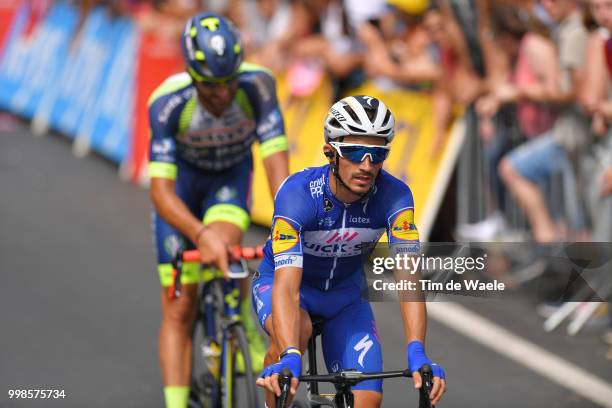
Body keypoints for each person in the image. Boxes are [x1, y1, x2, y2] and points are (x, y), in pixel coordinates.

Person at [252, 95, 446, 407]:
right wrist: (289, 353)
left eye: (377, 153)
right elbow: (287, 286)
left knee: (368, 399)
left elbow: (409, 279)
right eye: (355, 151)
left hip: (345, 298)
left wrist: (417, 350)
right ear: (331, 151)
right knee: (294, 337)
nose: (367, 165)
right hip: (287, 287)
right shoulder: (298, 194)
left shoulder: (396, 197)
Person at [147, 12, 290, 408]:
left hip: (228, 179)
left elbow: (277, 166)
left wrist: (290, 223)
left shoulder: (258, 86)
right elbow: (159, 191)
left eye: (229, 82)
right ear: (193, 75)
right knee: (179, 307)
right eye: (212, 86)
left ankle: (238, 313)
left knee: (228, 245)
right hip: (182, 194)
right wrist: (198, 234)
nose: (224, 93)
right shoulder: (167, 103)